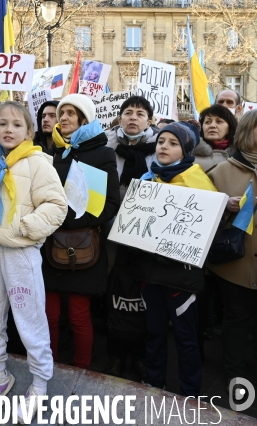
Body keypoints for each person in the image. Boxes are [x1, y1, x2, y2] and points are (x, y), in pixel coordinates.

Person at [0, 102, 68, 422]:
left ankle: (40, 382)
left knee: (29, 318)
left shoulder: (38, 163)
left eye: (17, 125)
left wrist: (25, 229)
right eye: (2, 124)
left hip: (21, 254)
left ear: (29, 132)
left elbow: (55, 205)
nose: (8, 129)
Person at [136, 122, 216, 397]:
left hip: (181, 278)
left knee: (185, 338)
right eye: (161, 142)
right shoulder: (147, 180)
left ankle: (190, 392)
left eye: (172, 143)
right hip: (150, 274)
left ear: (185, 150)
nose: (164, 147)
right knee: (154, 333)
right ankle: (155, 382)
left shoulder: (199, 181)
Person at [43, 94, 120, 370]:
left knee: (78, 315)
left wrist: (68, 222)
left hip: (83, 244)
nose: (62, 118)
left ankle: (81, 369)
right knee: (49, 314)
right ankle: (47, 365)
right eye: (61, 113)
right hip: (49, 245)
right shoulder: (51, 153)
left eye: (70, 114)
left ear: (84, 119)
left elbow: (109, 204)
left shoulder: (102, 154)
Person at [103, 95, 156, 379]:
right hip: (113, 233)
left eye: (139, 113)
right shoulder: (106, 149)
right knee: (115, 292)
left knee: (142, 295)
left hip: (147, 237)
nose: (133, 117)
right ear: (120, 118)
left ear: (149, 120)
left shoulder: (159, 150)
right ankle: (114, 354)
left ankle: (139, 356)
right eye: (128, 112)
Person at [207, 110, 257, 388]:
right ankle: (234, 374)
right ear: (248, 131)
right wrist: (223, 205)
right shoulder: (222, 171)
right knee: (236, 319)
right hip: (234, 265)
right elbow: (199, 215)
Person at [195, 104, 236, 171]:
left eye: (219, 121)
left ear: (230, 127)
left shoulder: (242, 155)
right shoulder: (188, 154)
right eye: (208, 122)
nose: (212, 125)